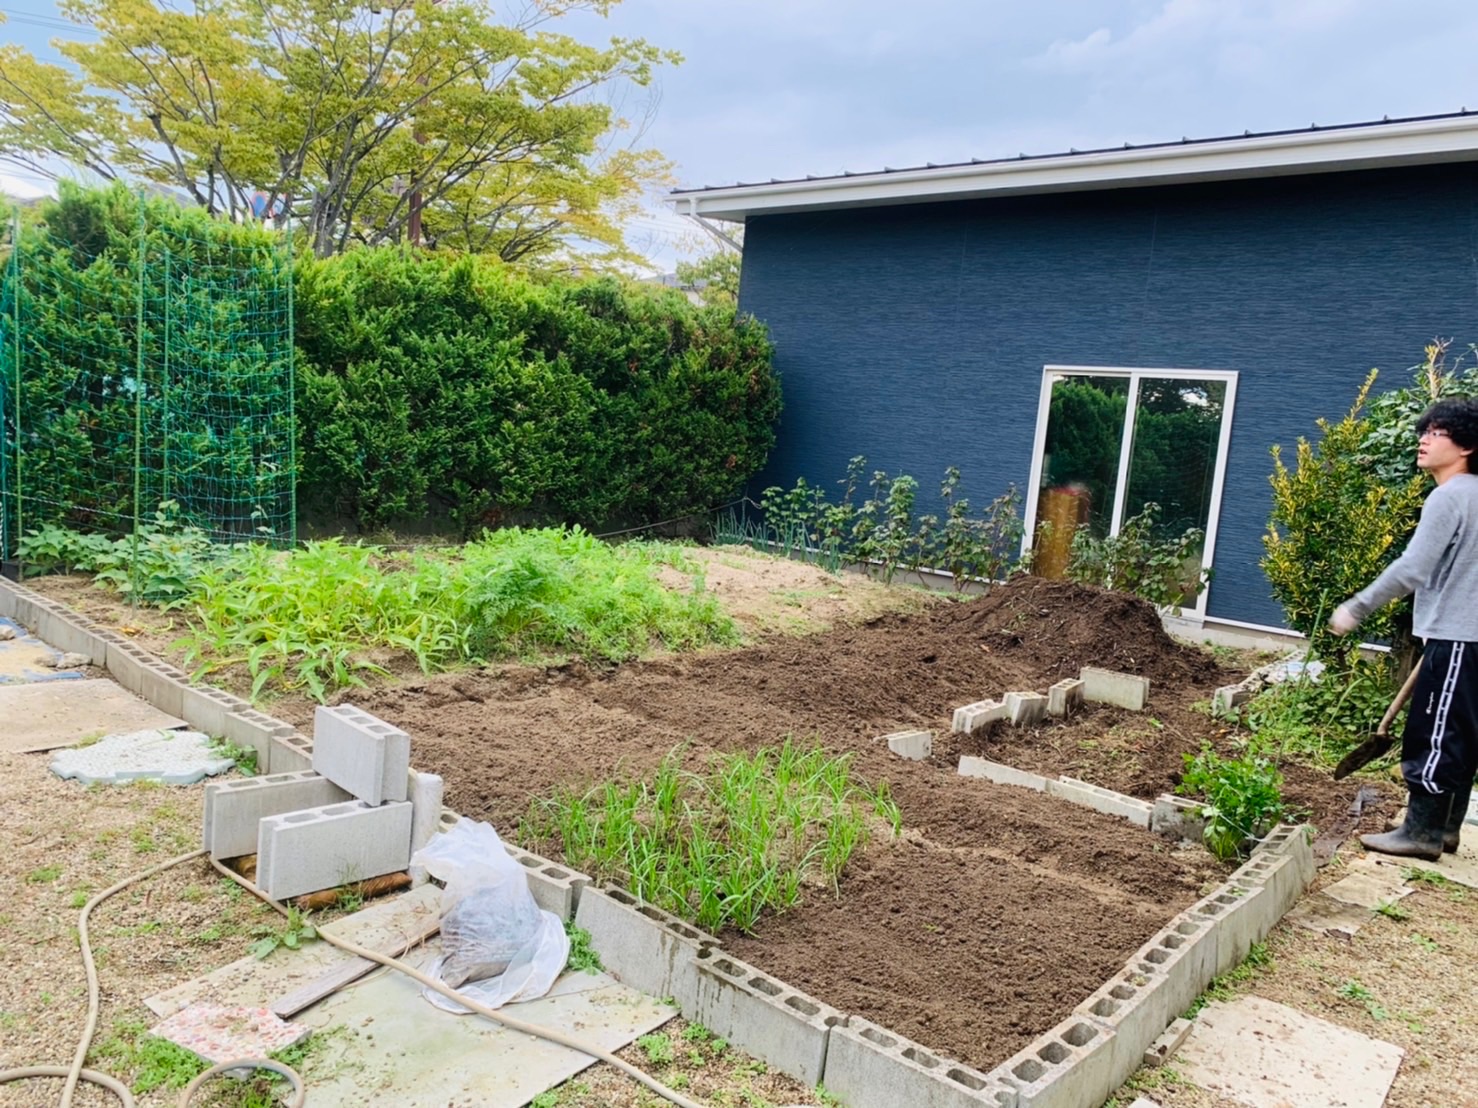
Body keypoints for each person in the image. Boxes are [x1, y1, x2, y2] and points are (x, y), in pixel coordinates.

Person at [1330, 396, 1478, 861]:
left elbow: (1413, 567)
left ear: (1467, 445)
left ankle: (1420, 834)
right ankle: (1444, 827)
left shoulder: (1451, 496)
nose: (1424, 439)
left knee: (1434, 733)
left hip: (1459, 635)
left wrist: (1358, 607)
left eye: (1437, 432)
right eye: (1425, 430)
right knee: (1462, 734)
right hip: (1467, 635)